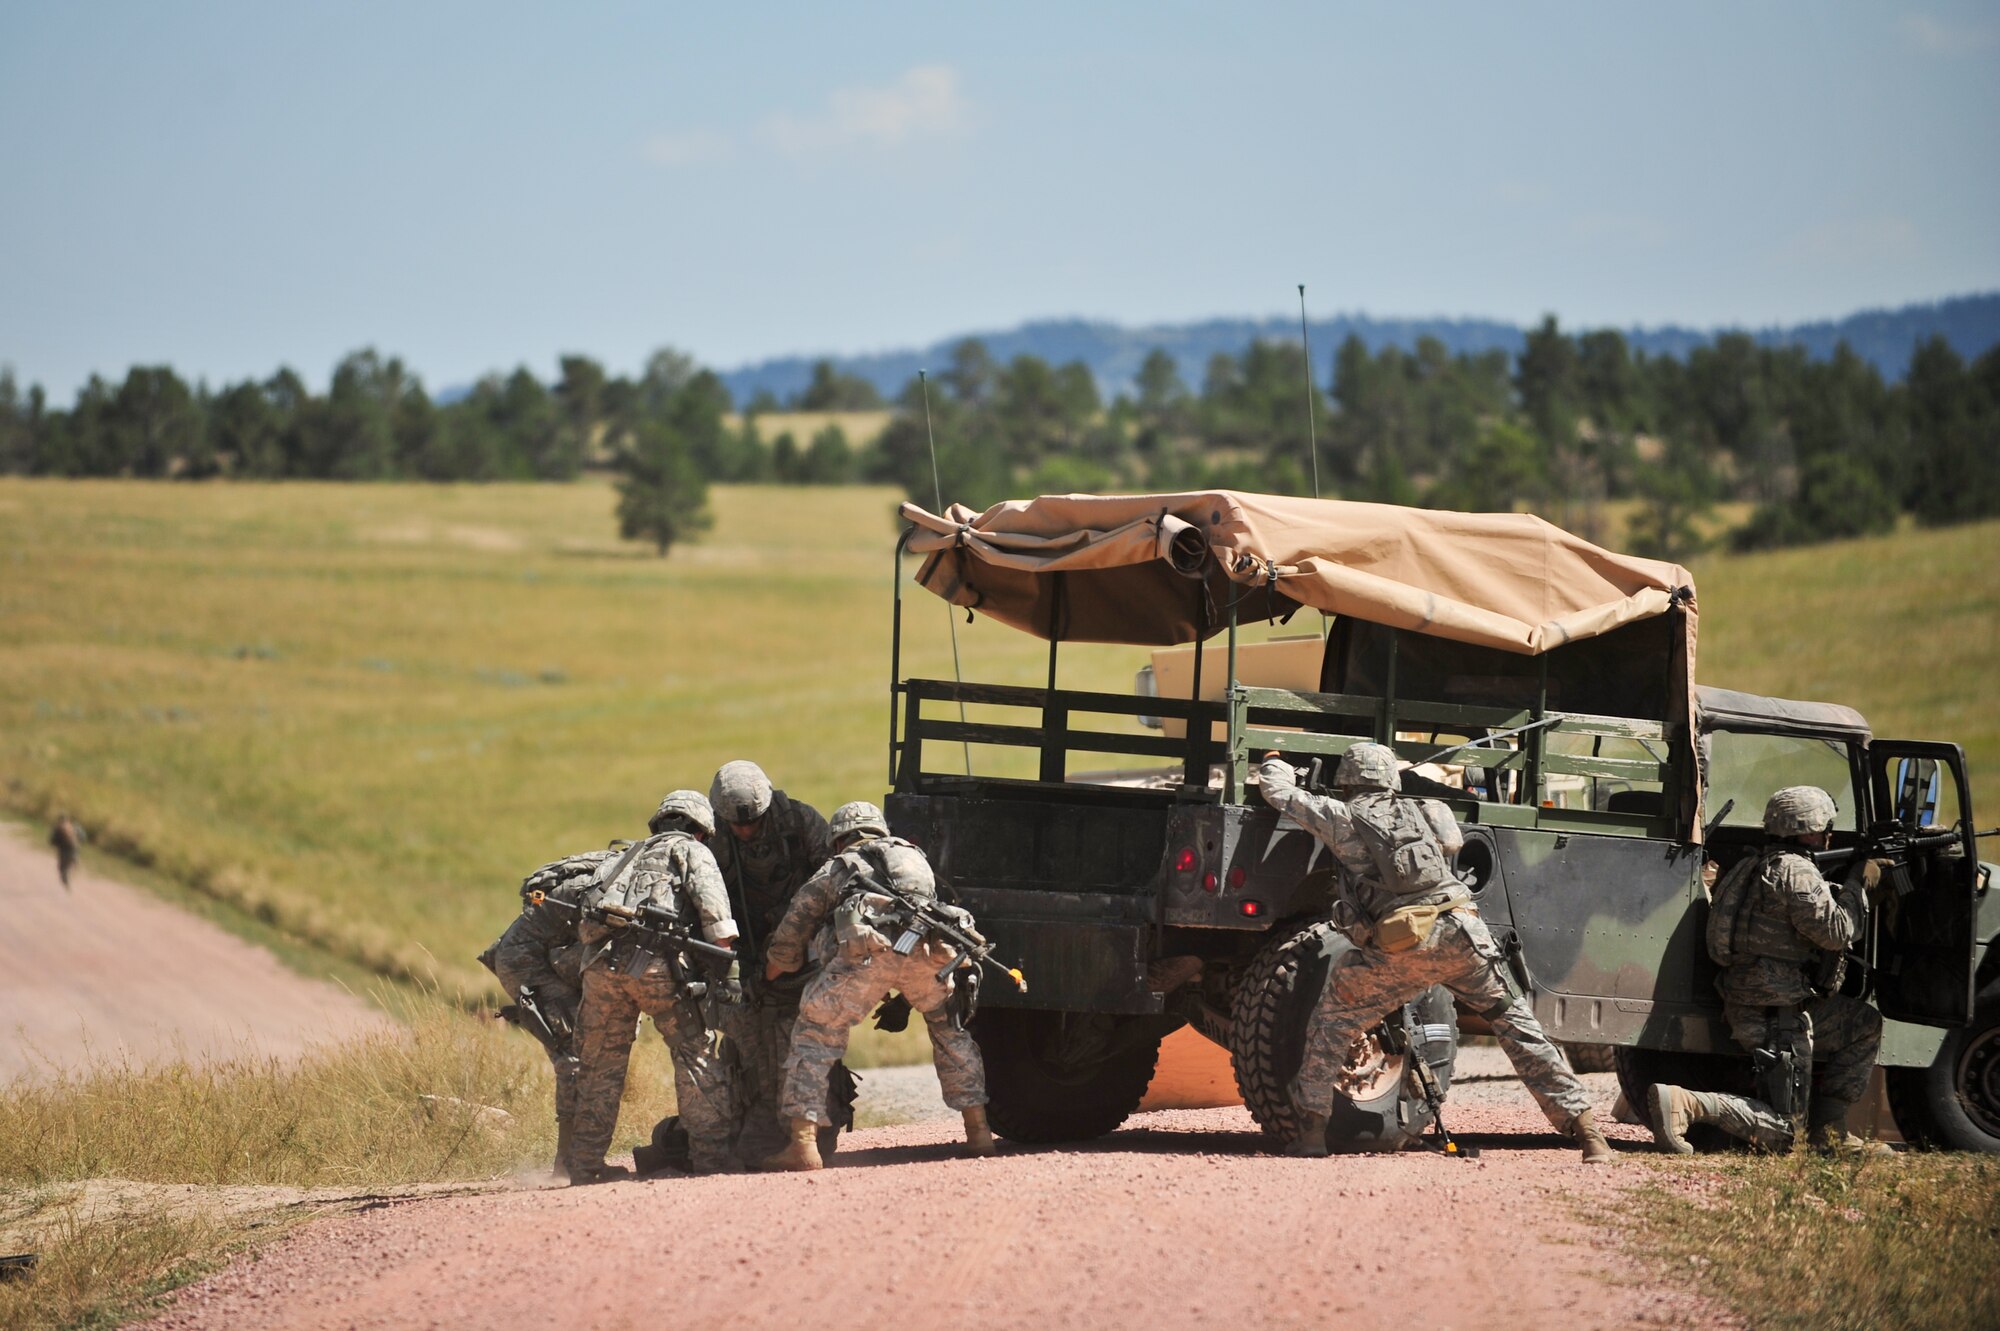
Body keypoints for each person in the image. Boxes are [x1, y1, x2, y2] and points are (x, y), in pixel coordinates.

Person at [1258, 744, 1615, 1163]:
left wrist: (1273, 762)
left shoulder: (1340, 817)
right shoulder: (1430, 809)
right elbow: (1451, 842)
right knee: (1518, 1028)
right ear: (1391, 779)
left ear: (1347, 781)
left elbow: (1277, 793)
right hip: (1463, 935)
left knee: (1333, 1022)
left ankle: (1312, 1135)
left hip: (1401, 944)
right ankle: (1590, 1135)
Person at [1650, 785, 1891, 1156]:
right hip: (1776, 1015)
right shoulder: (1797, 872)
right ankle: (1687, 1104)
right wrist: (1859, 885)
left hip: (1762, 1001)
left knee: (1863, 1024)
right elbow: (1837, 931)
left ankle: (1830, 1133)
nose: (1830, 833)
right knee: (1785, 1133)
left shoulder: (1751, 865)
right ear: (1808, 829)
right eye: (1826, 825)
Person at [759, 800, 994, 1170]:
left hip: (866, 958)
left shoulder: (837, 868)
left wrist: (770, 974)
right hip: (927, 956)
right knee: (951, 1031)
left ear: (838, 840)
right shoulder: (914, 859)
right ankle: (978, 1132)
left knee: (814, 1034)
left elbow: (792, 931)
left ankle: (802, 1146)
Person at [568, 790, 740, 1184]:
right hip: (656, 967)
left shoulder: (624, 856)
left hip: (598, 966)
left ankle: (584, 1165)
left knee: (599, 1065)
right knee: (694, 1054)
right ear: (700, 829)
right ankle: (712, 1159)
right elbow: (717, 920)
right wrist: (727, 975)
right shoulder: (691, 851)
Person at [705, 760, 839, 1164]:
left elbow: (834, 881)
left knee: (806, 1040)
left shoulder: (801, 823)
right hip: (743, 958)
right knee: (751, 1047)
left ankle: (811, 1134)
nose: (745, 831)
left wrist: (805, 942)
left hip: (804, 949)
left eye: (754, 822)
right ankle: (759, 1132)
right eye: (736, 825)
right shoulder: (712, 839)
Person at [478, 849, 614, 1181]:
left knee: (581, 1049)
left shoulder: (616, 871)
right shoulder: (611, 882)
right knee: (571, 1056)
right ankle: (567, 1164)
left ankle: (577, 1159)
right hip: (527, 962)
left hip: (543, 957)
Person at [49, 813, 85, 889]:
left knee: (62, 868)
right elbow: (83, 836)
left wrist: (56, 845)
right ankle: (74, 862)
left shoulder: (57, 828)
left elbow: (52, 841)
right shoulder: (75, 826)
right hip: (74, 848)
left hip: (63, 850)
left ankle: (66, 881)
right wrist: (79, 842)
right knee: (72, 860)